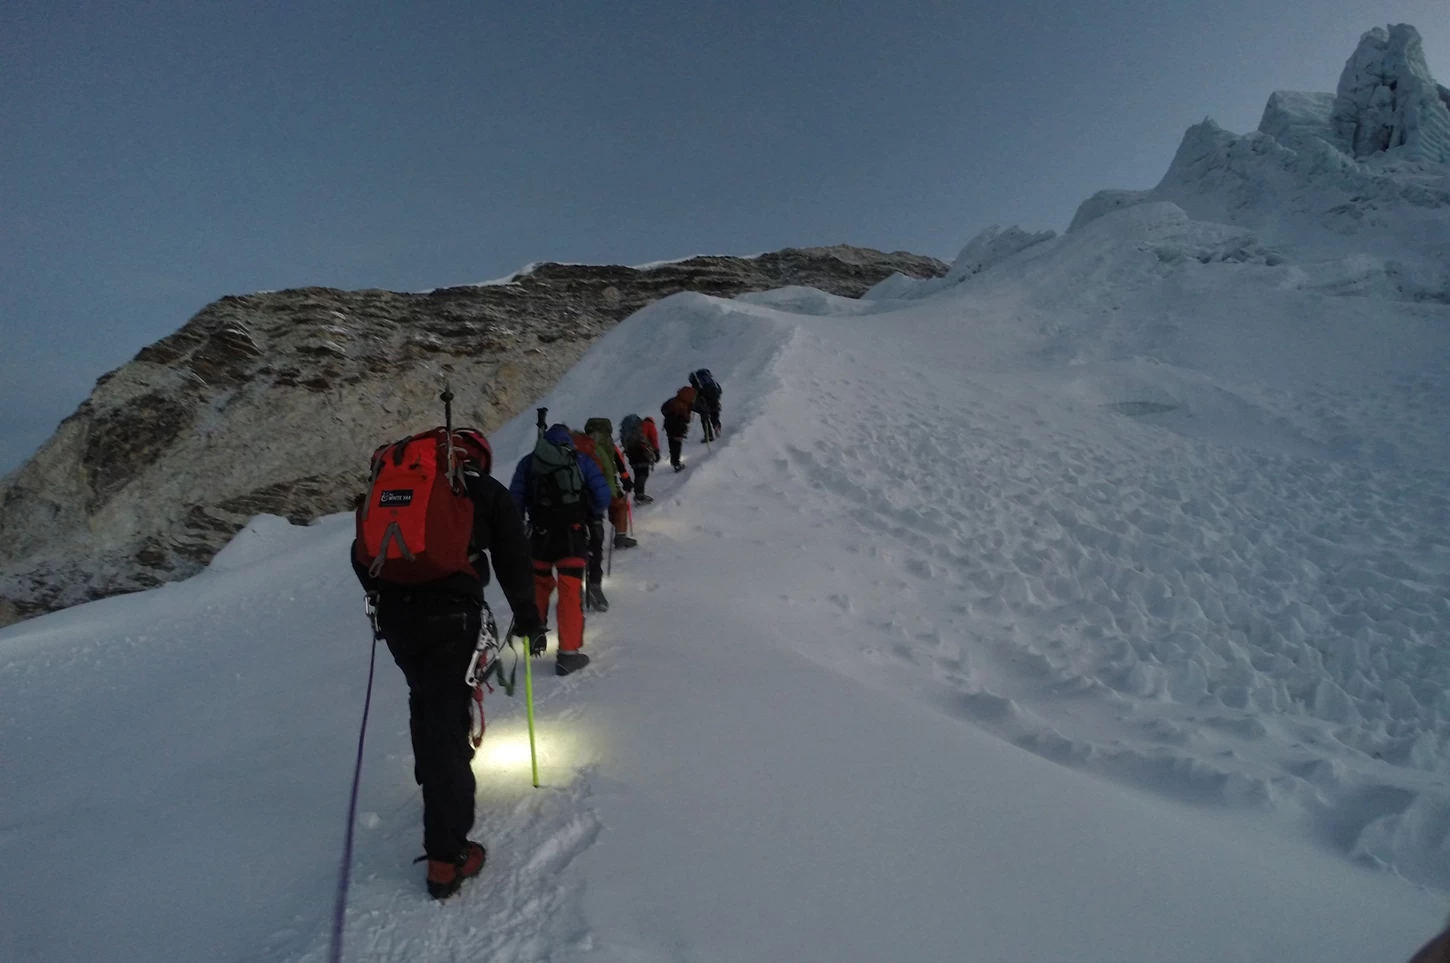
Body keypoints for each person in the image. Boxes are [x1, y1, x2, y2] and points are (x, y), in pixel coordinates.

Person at [352, 423, 543, 900]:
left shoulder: (398, 485)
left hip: (397, 619)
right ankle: (446, 858)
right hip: (453, 617)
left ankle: (437, 777)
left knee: (428, 701)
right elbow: (514, 556)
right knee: (446, 720)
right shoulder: (479, 489)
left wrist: (382, 595)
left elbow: (362, 553)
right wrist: (528, 616)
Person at [509, 422, 610, 675]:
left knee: (539, 585)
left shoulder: (529, 462)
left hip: (540, 536)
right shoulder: (580, 460)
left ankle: (535, 633)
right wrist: (590, 514)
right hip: (572, 536)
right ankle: (568, 654)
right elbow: (603, 497)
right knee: (569, 592)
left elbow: (514, 501)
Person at [582, 417, 637, 551]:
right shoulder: (608, 443)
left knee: (587, 512)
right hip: (606, 482)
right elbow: (617, 463)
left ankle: (585, 540)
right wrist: (625, 479)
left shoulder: (583, 443)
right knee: (620, 505)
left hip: (584, 484)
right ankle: (620, 536)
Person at [619, 414, 660, 504]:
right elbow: (654, 438)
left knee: (637, 471)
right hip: (641, 450)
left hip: (630, 451)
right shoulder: (649, 425)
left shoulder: (636, 427)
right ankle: (639, 495)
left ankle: (638, 494)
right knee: (643, 472)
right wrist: (656, 451)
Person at [661, 386, 697, 471]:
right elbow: (686, 419)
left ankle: (674, 461)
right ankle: (676, 463)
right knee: (677, 444)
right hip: (679, 427)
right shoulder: (685, 405)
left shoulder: (673, 401)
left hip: (668, 425)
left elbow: (663, 409)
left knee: (671, 442)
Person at [691, 368, 723, 441]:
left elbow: (696, 395)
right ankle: (716, 426)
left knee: (705, 419)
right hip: (715, 401)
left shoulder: (697, 383)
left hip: (705, 403)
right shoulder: (712, 382)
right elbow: (720, 391)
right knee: (714, 415)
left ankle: (709, 436)